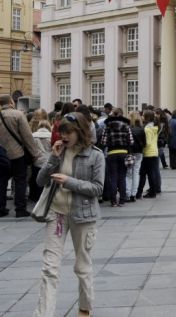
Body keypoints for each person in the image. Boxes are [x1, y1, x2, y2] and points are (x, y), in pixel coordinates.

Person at [33, 111, 105, 317]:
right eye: (62, 131)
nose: (63, 136)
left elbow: (98, 188)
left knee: (82, 266)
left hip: (83, 216)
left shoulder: (96, 155)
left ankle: (84, 308)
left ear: (80, 132)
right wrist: (52, 159)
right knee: (49, 267)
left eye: (68, 132)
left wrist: (69, 181)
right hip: (56, 214)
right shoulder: (59, 151)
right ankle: (43, 314)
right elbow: (40, 181)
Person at [0, 95, 45, 217]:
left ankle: (1, 207)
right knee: (20, 180)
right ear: (11, 102)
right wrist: (34, 153)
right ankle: (20, 209)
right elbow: (27, 136)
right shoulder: (18, 115)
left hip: (2, 154)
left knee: (2, 180)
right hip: (17, 153)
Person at [100, 108, 134, 207]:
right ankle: (122, 200)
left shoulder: (107, 126)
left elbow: (103, 142)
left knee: (113, 177)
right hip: (123, 152)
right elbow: (131, 141)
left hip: (111, 153)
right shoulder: (126, 126)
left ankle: (113, 201)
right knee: (122, 177)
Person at [136, 110, 160, 199]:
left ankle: (139, 193)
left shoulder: (147, 129)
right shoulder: (154, 127)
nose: (141, 117)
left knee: (143, 174)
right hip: (154, 152)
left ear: (146, 117)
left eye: (143, 115)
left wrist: (140, 145)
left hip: (148, 153)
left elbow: (148, 142)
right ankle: (152, 192)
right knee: (150, 174)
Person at [31, 120, 52, 202]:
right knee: (47, 179)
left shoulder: (33, 135)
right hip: (48, 160)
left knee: (36, 179)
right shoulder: (51, 135)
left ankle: (35, 196)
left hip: (37, 160)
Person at [127, 111, 145, 203]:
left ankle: (128, 193)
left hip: (130, 152)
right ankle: (134, 194)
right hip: (139, 152)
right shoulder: (142, 129)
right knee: (136, 172)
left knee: (129, 173)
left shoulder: (128, 128)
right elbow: (144, 143)